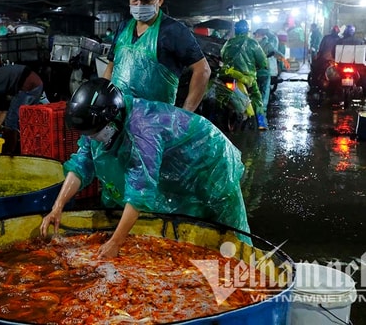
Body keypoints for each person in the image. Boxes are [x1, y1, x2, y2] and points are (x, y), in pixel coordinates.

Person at [39, 78, 251, 258]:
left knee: (225, 222)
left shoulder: (143, 131)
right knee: (184, 218)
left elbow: (140, 191)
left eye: (94, 133)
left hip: (210, 160)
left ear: (114, 119)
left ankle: (243, 267)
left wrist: (116, 242)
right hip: (175, 163)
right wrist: (57, 207)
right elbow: (81, 164)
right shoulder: (99, 125)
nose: (92, 139)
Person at [102, 0, 211, 112]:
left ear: (160, 0)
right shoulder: (123, 27)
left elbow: (202, 70)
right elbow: (111, 67)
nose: (139, 4)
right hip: (119, 115)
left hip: (155, 122)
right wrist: (102, 99)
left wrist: (185, 115)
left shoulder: (173, 31)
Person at [221, 20, 269, 130]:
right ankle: (262, 123)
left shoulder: (228, 43)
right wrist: (263, 65)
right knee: (257, 98)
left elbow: (222, 55)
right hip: (247, 78)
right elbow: (263, 61)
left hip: (229, 75)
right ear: (247, 30)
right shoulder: (252, 43)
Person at [253, 28, 289, 112]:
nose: (255, 36)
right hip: (260, 71)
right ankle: (261, 109)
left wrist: (284, 60)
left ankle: (260, 109)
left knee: (261, 90)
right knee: (263, 91)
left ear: (261, 35)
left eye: (257, 34)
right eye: (255, 35)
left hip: (260, 71)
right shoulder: (256, 44)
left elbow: (275, 52)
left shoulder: (265, 44)